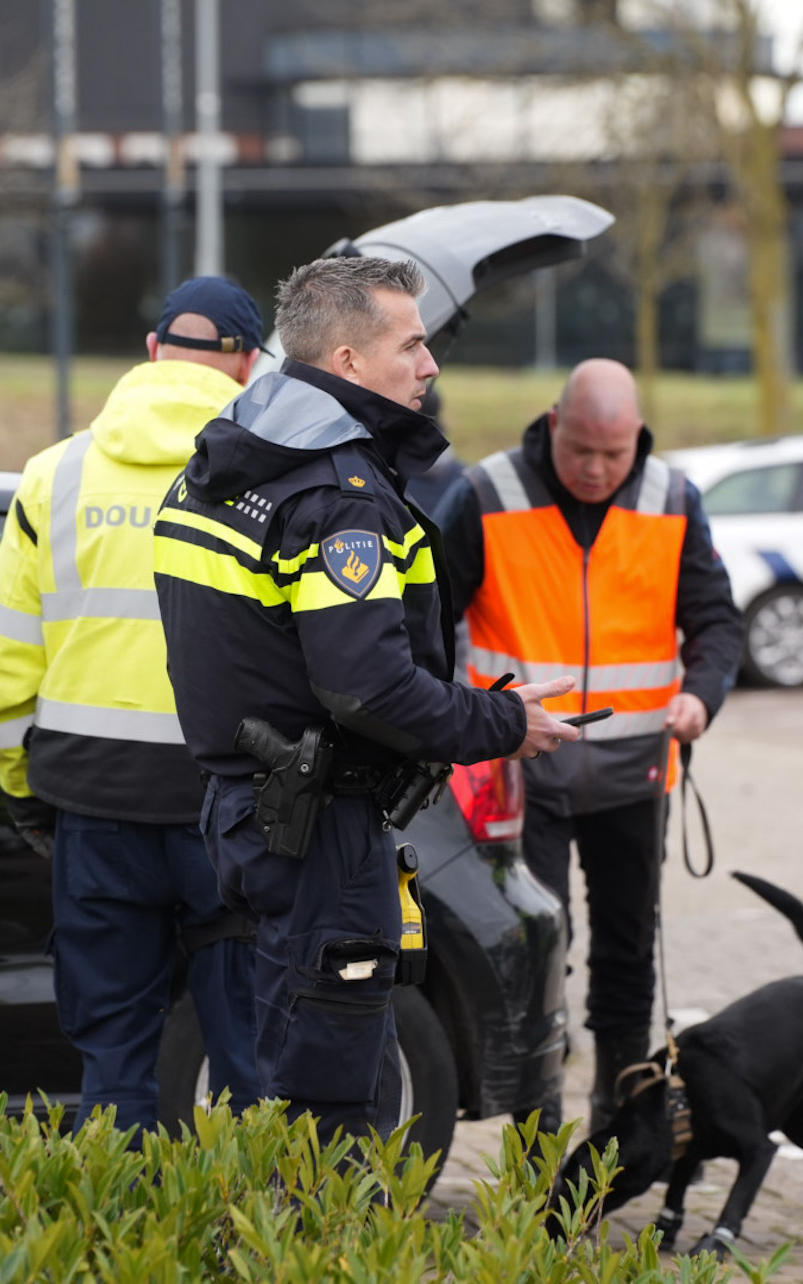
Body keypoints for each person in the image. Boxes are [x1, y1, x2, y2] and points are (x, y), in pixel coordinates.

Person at [152, 255, 583, 1140]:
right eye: (413, 344)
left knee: (279, 1071)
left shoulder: (228, 460)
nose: (430, 366)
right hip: (324, 834)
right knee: (332, 1105)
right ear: (347, 361)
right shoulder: (336, 494)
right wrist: (505, 720)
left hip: (248, 812)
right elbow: (366, 687)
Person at [0, 277, 268, 1134]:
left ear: (150, 351)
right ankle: (252, 1248)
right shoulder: (270, 478)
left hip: (93, 806)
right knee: (248, 1062)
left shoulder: (53, 476)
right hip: (229, 811)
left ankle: (122, 1237)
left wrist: (23, 782)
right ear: (247, 366)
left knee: (114, 1062)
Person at [434, 358, 744, 1130]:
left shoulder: (672, 499)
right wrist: (454, 716)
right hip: (515, 772)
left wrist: (700, 696)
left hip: (635, 772)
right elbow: (426, 619)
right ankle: (537, 1136)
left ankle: (619, 1120)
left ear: (637, 436)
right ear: (553, 425)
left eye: (616, 453)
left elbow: (716, 621)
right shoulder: (485, 494)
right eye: (583, 453)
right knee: (538, 950)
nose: (599, 470)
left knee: (628, 951)